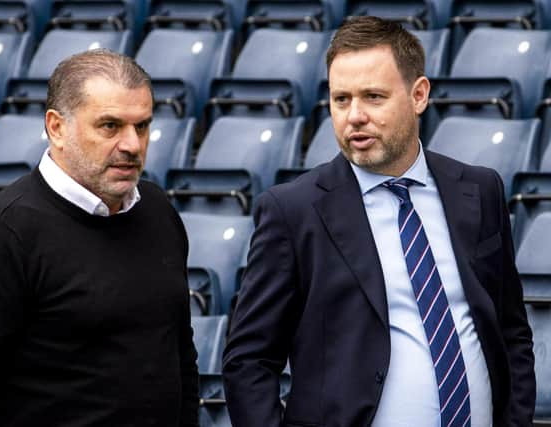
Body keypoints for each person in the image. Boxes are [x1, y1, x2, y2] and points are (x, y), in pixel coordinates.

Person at [222, 16, 535, 427]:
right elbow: (248, 360)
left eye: (373, 96)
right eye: (341, 99)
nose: (354, 116)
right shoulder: (292, 211)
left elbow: (511, 331)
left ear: (418, 94)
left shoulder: (479, 190)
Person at [0, 50, 199, 427]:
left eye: (142, 126)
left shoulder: (157, 212)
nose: (132, 145)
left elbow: (180, 357)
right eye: (110, 126)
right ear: (56, 128)